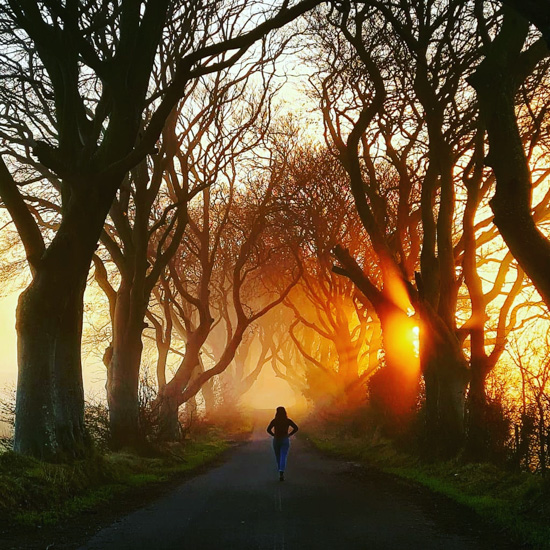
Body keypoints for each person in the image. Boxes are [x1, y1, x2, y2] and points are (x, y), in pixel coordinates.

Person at [267, 406, 299, 481]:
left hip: (276, 439)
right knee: (283, 456)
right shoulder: (287, 420)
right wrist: (289, 434)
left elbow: (268, 429)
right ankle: (282, 471)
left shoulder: (274, 421)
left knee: (278, 456)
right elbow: (296, 428)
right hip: (285, 439)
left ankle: (280, 471)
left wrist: (273, 434)